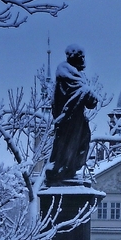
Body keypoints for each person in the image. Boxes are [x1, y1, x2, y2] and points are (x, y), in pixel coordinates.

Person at [46, 45, 99, 186]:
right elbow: (86, 96)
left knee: (80, 145)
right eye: (81, 58)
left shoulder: (74, 75)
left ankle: (67, 169)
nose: (83, 61)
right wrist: (87, 92)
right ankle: (61, 170)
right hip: (69, 122)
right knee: (68, 147)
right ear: (74, 57)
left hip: (76, 121)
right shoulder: (67, 74)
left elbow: (88, 99)